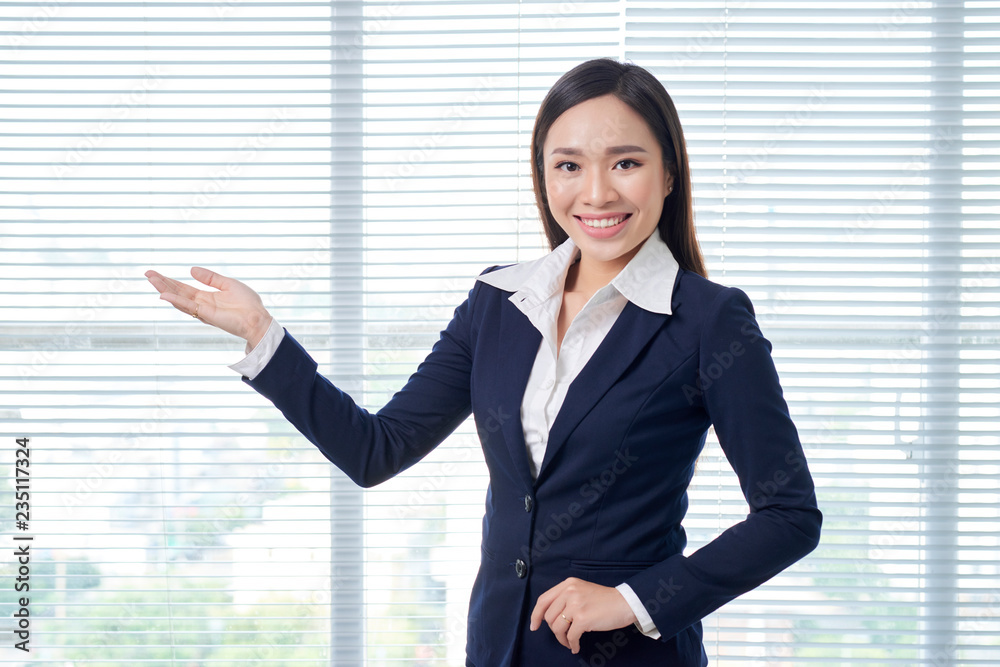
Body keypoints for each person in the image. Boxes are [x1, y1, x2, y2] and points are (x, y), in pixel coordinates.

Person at [146, 58, 822, 666]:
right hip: (497, 648)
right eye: (568, 165)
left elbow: (789, 514)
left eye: (625, 162)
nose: (595, 193)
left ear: (668, 172)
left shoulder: (707, 319)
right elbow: (376, 449)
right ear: (542, 175)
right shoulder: (499, 301)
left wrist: (634, 599)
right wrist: (262, 334)